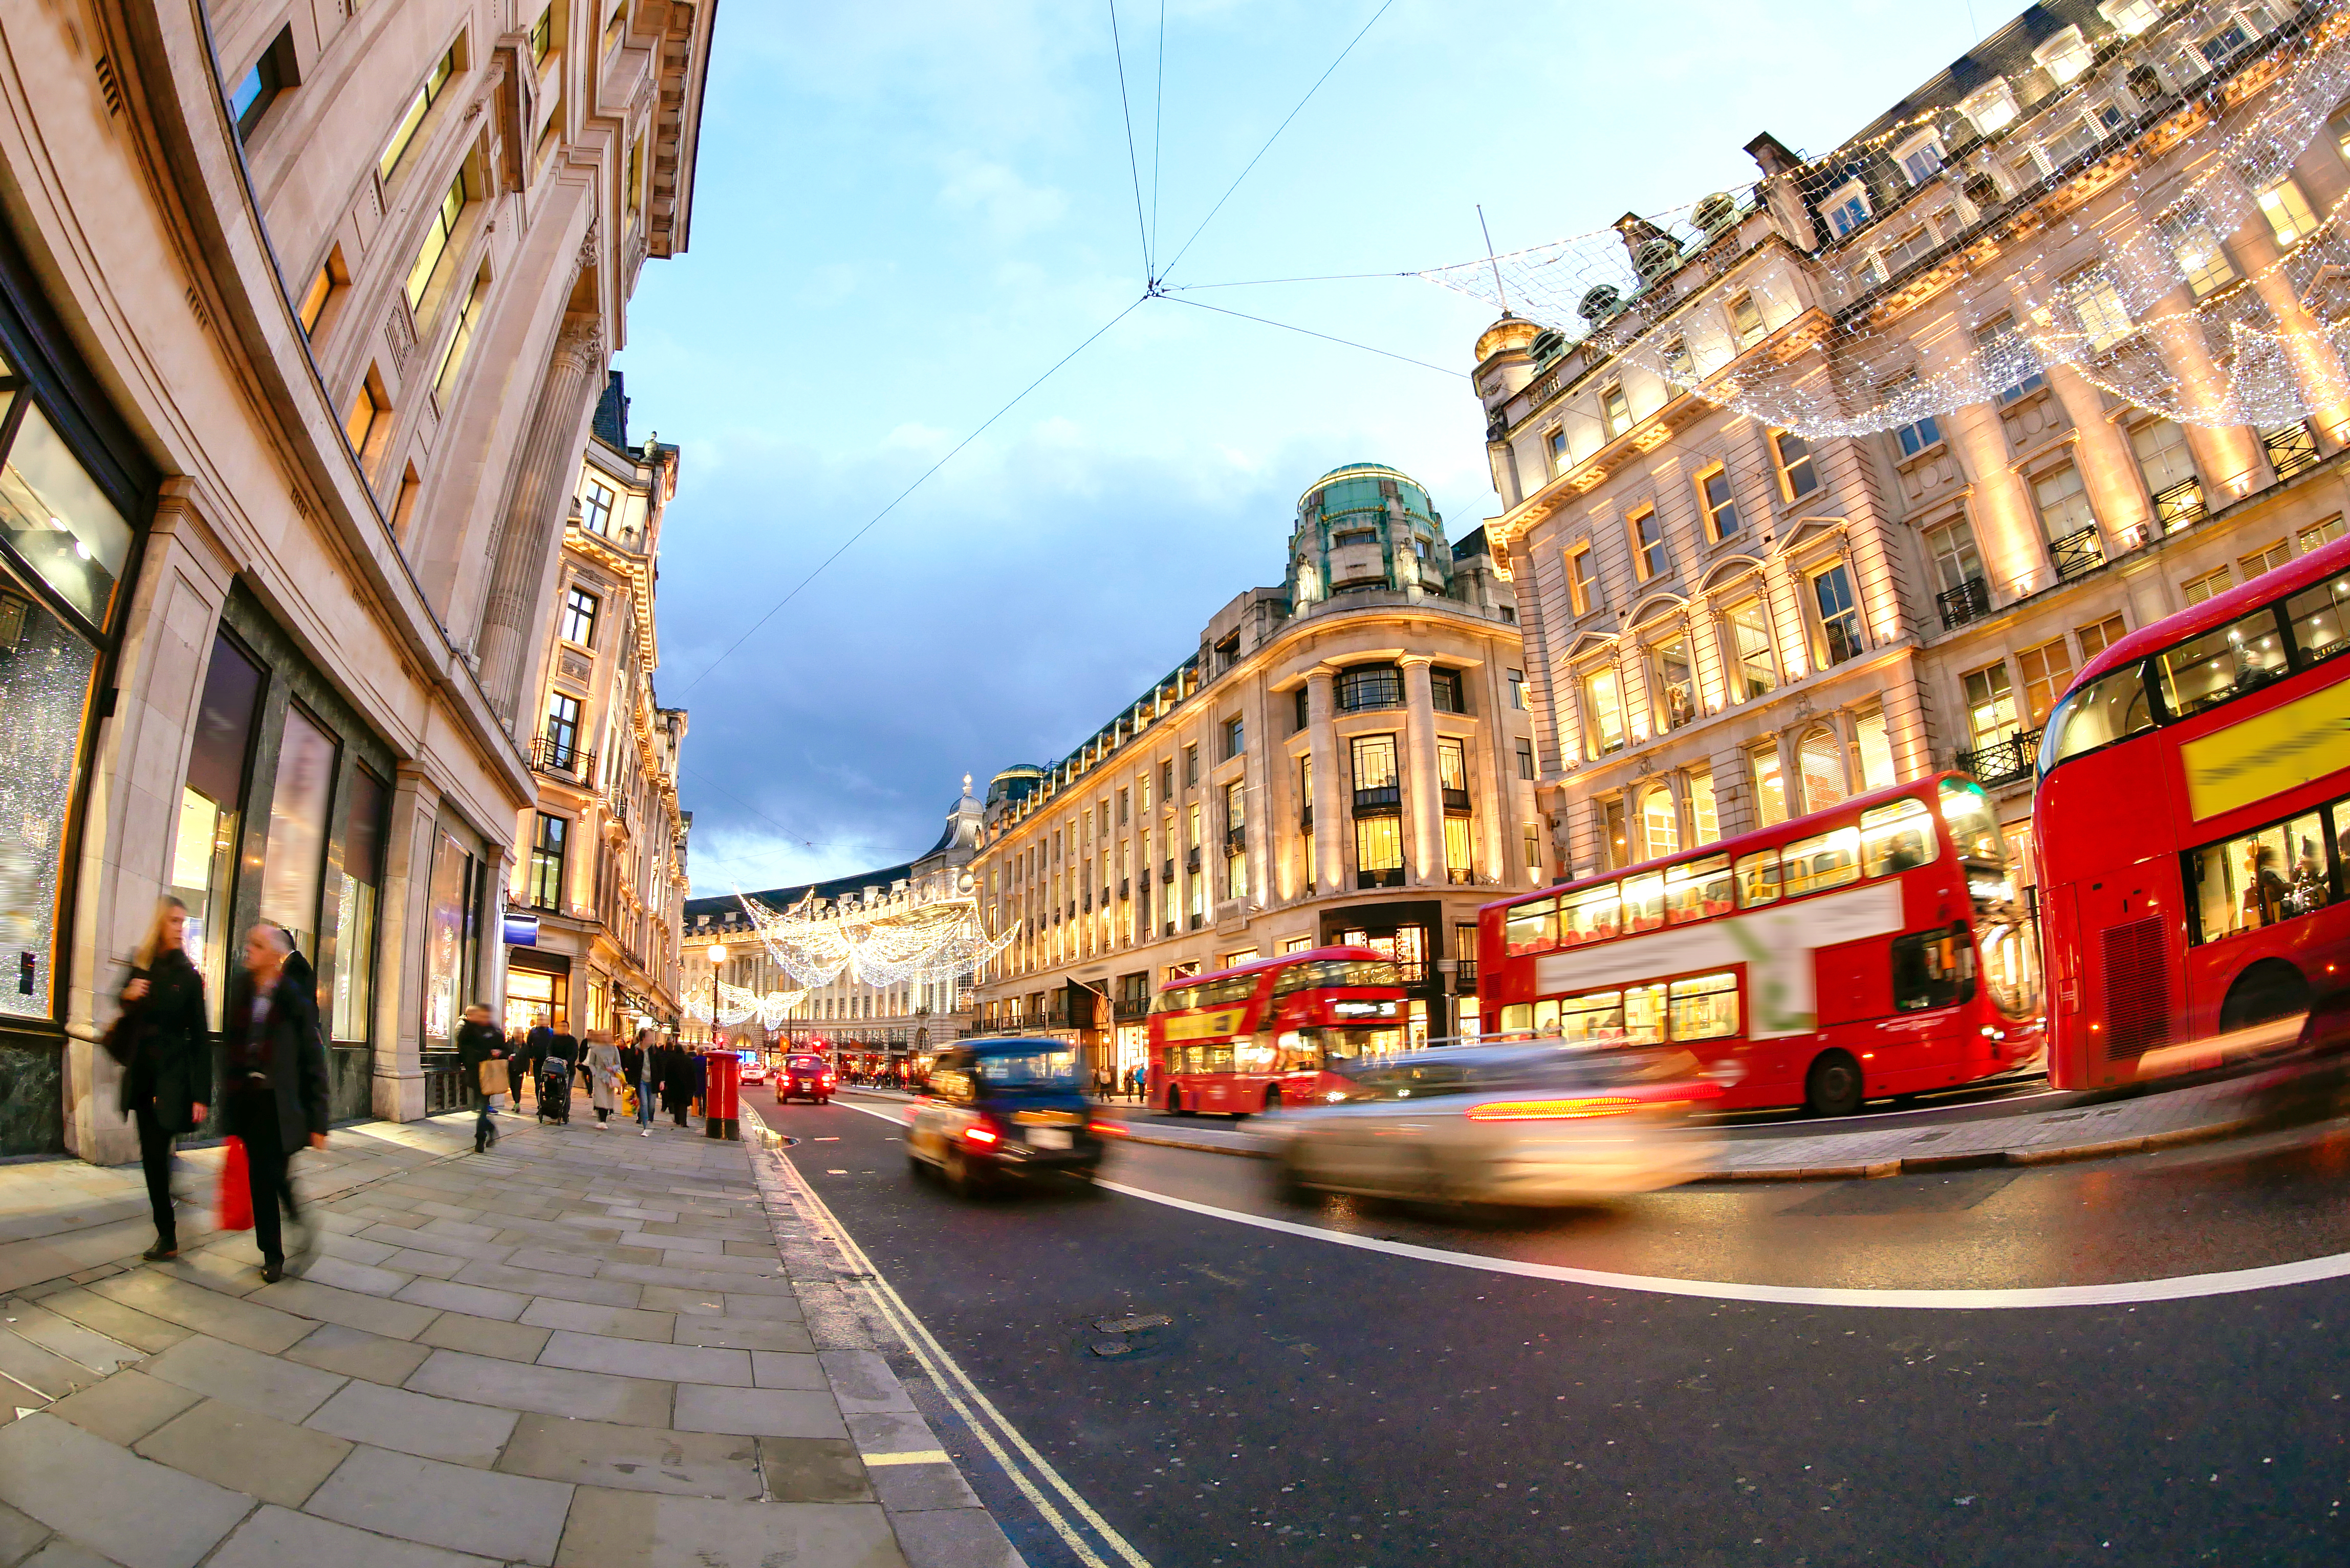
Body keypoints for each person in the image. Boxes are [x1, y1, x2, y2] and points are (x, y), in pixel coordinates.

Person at [219, 925, 330, 1282]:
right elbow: (231, 1046)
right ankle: (273, 1253)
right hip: (249, 1099)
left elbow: (313, 1063)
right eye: (249, 942)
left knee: (271, 1174)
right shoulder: (242, 990)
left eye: (257, 945)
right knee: (263, 1178)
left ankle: (292, 1226)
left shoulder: (293, 999)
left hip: (280, 1103)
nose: (249, 950)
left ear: (275, 955)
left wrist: (319, 1121)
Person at [119, 897, 209, 1262]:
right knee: (152, 1159)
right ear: (160, 923)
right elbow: (122, 1006)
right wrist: (128, 995)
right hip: (141, 1075)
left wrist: (201, 1093)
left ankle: (167, 1233)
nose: (179, 927)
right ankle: (167, 1233)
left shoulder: (188, 976)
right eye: (173, 920)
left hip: (171, 1078)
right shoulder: (141, 964)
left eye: (182, 921)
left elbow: (201, 1038)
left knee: (157, 1153)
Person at [456, 1004, 505, 1153]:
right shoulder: (469, 1030)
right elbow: (463, 1050)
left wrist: (499, 1052)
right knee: (479, 1106)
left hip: (489, 1074)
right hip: (474, 1073)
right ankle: (491, 1129)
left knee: (482, 1106)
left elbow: (505, 1048)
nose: (483, 1018)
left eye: (485, 1015)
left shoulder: (495, 1031)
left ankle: (480, 1139)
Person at [584, 1030, 621, 1128]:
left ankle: (603, 1119)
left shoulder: (614, 1048)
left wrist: (613, 1069)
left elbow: (618, 1063)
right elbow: (591, 1063)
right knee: (601, 1098)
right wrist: (595, 1072)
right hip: (599, 1076)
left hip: (610, 1077)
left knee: (608, 1099)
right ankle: (602, 1121)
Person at [634, 1026, 658, 1136]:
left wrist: (662, 1081)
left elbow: (660, 1066)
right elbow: (631, 1064)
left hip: (652, 1081)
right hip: (642, 1080)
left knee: (651, 1105)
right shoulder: (636, 1049)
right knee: (644, 1103)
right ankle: (646, 1127)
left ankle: (650, 1120)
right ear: (643, 1039)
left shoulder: (654, 1050)